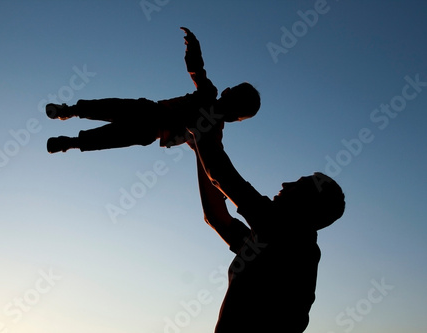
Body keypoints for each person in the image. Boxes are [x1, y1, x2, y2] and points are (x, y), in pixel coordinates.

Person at [187, 123, 345, 332]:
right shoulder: (275, 242)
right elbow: (216, 217)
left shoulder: (287, 236)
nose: (285, 184)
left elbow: (221, 173)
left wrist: (204, 133)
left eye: (297, 184)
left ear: (306, 204)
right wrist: (200, 148)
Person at [46, 27, 260, 154]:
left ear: (233, 116)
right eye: (234, 94)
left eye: (235, 99)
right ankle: (69, 111)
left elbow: (211, 159)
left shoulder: (213, 131)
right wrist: (192, 46)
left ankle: (69, 142)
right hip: (149, 111)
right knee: (107, 107)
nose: (229, 94)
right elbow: (196, 69)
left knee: (109, 137)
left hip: (150, 130)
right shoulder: (208, 94)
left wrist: (216, 185)